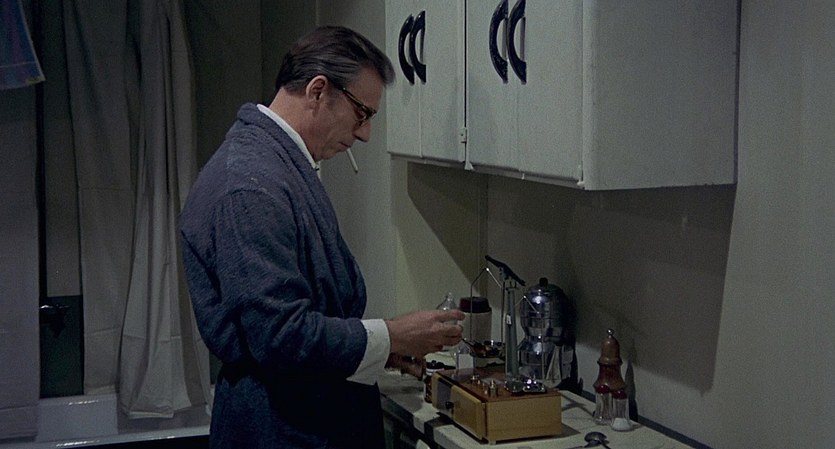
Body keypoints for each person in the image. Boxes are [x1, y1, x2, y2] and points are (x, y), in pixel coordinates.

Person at [179, 26, 465, 449]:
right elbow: (280, 336)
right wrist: (392, 335)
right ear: (317, 91)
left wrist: (380, 353)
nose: (365, 134)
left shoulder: (278, 164)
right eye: (362, 113)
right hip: (280, 430)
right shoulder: (251, 186)